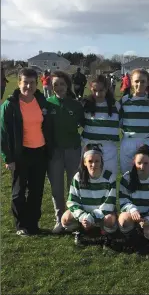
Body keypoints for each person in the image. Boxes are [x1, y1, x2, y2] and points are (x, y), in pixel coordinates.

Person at [1, 68, 53, 236]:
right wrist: (8, 158)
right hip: (21, 154)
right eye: (25, 82)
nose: (28, 86)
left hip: (40, 152)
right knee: (19, 192)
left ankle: (32, 224)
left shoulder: (42, 101)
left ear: (37, 84)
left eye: (32, 83)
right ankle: (21, 225)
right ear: (19, 83)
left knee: (36, 191)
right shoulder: (10, 104)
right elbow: (3, 133)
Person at [46, 70, 84, 234]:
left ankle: (74, 217)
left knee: (73, 186)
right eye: (55, 84)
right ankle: (59, 219)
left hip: (73, 150)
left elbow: (84, 123)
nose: (59, 87)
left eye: (62, 84)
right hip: (54, 152)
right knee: (56, 188)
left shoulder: (75, 104)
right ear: (51, 86)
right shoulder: (47, 103)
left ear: (67, 85)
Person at [62, 144, 118, 246]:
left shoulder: (110, 177)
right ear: (84, 162)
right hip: (85, 214)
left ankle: (104, 232)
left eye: (97, 161)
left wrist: (91, 217)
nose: (93, 164)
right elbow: (72, 201)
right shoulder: (78, 177)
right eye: (90, 161)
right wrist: (83, 217)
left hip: (102, 214)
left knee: (109, 220)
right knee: (65, 219)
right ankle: (81, 229)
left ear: (101, 161)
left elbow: (109, 204)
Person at [119, 145, 149, 250]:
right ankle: (130, 237)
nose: (142, 167)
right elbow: (123, 201)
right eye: (139, 163)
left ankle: (145, 238)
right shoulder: (126, 178)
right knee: (124, 221)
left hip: (148, 215)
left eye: (146, 163)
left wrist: (148, 219)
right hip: (131, 214)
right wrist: (132, 210)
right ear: (134, 162)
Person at [118, 69, 149, 175]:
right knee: (127, 176)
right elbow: (117, 121)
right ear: (131, 82)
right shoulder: (124, 101)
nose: (139, 84)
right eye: (136, 81)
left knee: (148, 177)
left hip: (148, 141)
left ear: (147, 82)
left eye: (143, 81)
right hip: (129, 142)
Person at [81, 75, 120, 178]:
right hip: (89, 149)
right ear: (90, 89)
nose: (98, 94)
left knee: (109, 180)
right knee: (89, 181)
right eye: (94, 90)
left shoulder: (116, 106)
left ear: (107, 89)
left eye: (101, 90)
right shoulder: (85, 105)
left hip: (109, 150)